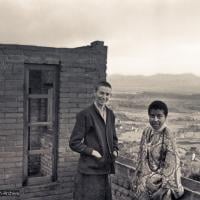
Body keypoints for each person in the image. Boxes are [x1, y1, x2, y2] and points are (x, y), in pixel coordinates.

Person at [69, 81, 118, 200]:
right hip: (89, 170)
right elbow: (74, 143)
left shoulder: (110, 114)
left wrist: (116, 150)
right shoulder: (85, 114)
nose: (104, 97)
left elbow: (114, 138)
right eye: (101, 93)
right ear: (94, 93)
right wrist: (92, 152)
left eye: (107, 94)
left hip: (105, 168)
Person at [133, 100, 184, 200]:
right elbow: (141, 157)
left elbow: (172, 165)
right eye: (152, 116)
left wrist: (160, 187)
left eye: (159, 116)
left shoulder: (169, 135)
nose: (155, 119)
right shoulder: (146, 131)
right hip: (145, 181)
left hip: (160, 184)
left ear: (165, 117)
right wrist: (140, 178)